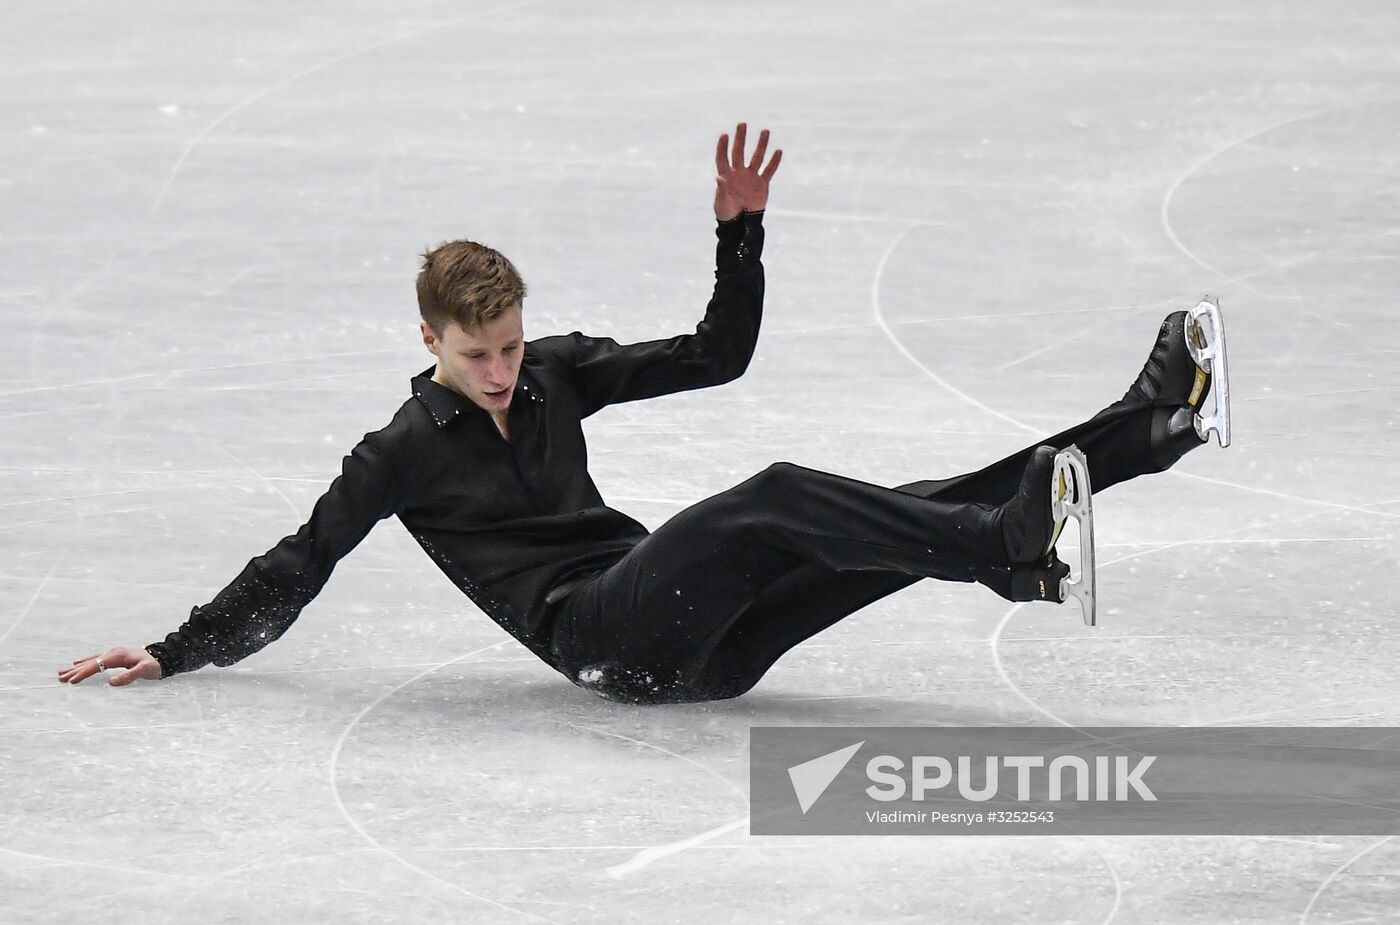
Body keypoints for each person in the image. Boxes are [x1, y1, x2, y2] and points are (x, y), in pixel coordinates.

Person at [58, 122, 1231, 703]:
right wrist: (176, 648)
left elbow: (716, 356)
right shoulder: (399, 452)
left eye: (509, 345)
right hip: (604, 643)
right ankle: (1008, 554)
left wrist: (738, 237)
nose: (501, 370)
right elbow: (299, 561)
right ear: (430, 342)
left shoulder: (553, 373)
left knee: (901, 509)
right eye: (476, 354)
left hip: (696, 634)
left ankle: (1144, 432)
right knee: (777, 497)